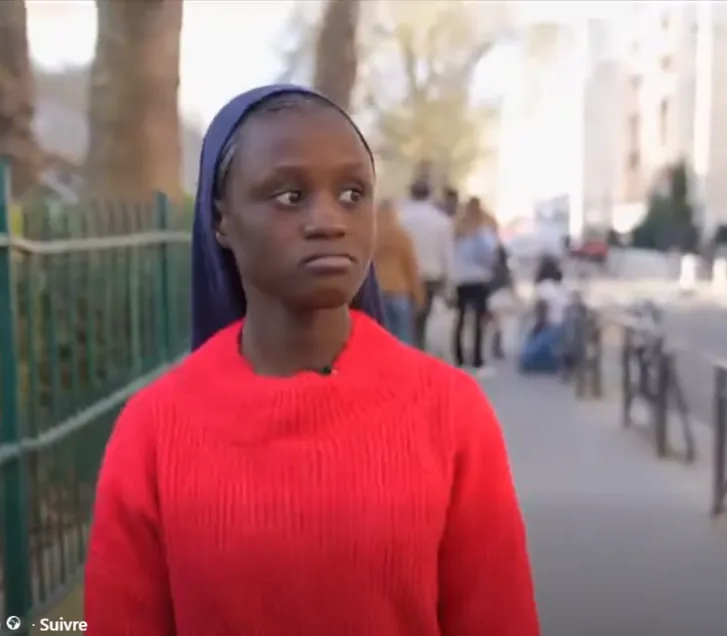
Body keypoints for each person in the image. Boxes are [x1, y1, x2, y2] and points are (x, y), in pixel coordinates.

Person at [84, 84, 540, 636]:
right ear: (221, 220)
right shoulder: (154, 430)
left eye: (352, 193)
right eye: (289, 195)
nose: (329, 220)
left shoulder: (449, 410)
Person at [398, 176, 454, 349]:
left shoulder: (400, 218)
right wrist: (449, 284)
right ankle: (419, 349)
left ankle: (408, 350)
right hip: (431, 275)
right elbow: (447, 254)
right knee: (423, 319)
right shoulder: (441, 220)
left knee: (406, 321)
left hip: (404, 275)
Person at [451, 197, 498, 372]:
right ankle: (477, 359)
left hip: (461, 278)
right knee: (478, 320)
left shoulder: (458, 230)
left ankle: (459, 357)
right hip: (479, 279)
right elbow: (488, 255)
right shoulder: (482, 232)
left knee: (461, 319)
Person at [374, 198, 424, 344]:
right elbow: (411, 267)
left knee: (381, 337)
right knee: (403, 337)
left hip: (378, 291)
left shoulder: (371, 237)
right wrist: (419, 295)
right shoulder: (402, 237)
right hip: (400, 292)